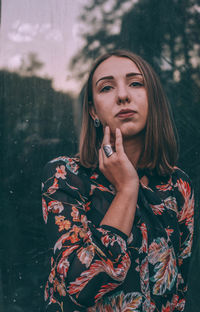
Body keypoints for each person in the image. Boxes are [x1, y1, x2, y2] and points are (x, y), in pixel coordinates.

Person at [41, 50, 194, 312]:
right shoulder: (65, 176)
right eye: (107, 88)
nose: (123, 95)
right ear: (93, 111)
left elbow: (179, 289)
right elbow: (79, 288)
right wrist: (126, 189)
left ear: (152, 99)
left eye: (136, 83)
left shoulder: (177, 186)